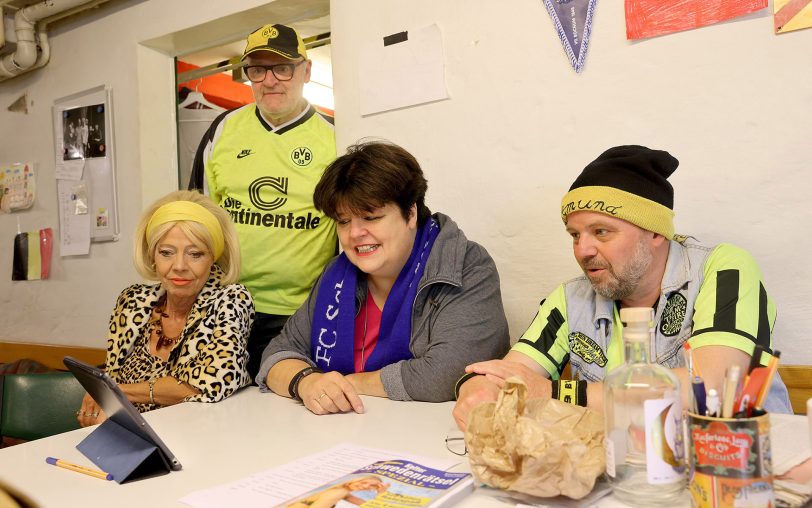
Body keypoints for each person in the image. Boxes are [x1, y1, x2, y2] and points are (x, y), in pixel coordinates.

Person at [453, 145, 791, 430]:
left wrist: (554, 393)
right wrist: (476, 388)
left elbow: (716, 390)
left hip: (751, 472)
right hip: (630, 474)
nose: (582, 250)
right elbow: (511, 374)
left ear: (656, 232)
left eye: (601, 232)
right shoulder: (570, 299)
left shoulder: (725, 268)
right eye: (575, 235)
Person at [258, 141, 510, 413]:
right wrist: (306, 383)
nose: (354, 234)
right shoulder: (336, 273)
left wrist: (349, 384)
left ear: (411, 213)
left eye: (371, 217)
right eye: (343, 221)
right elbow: (276, 356)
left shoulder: (465, 265)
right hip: (339, 437)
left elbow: (445, 375)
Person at [188, 23, 337, 381]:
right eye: (257, 69)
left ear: (306, 70)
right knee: (218, 410)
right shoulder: (222, 129)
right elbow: (197, 224)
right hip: (226, 307)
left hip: (302, 315)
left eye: (282, 67)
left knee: (291, 410)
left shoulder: (336, 138)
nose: (270, 80)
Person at [76, 190, 253, 426]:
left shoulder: (231, 300)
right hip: (131, 435)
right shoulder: (132, 300)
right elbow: (113, 376)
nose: (179, 266)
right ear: (152, 256)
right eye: (166, 253)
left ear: (213, 257)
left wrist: (117, 393)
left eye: (195, 254)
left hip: (201, 439)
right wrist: (102, 408)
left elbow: (211, 384)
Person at [285, 476, 389, 508]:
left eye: (372, 486)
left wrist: (381, 493)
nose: (366, 486)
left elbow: (368, 505)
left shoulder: (341, 490)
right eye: (364, 481)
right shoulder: (339, 492)